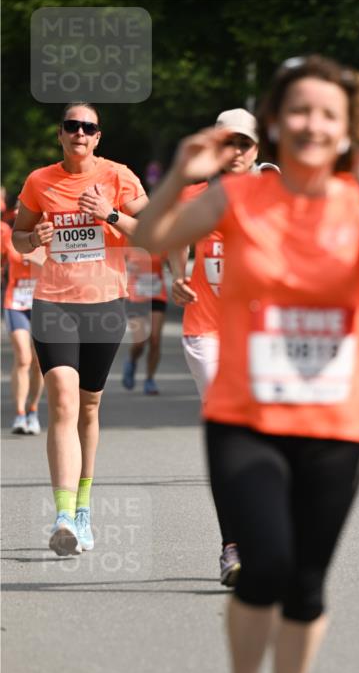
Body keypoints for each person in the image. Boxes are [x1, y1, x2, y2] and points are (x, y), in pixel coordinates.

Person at [135, 55, 359, 673]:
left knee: (305, 580)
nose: (311, 124)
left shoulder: (358, 204)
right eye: (299, 110)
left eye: (328, 114)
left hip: (335, 420)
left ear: (348, 131)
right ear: (275, 121)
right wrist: (181, 168)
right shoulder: (238, 199)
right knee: (264, 562)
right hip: (245, 411)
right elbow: (150, 237)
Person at [12, 102, 148, 555]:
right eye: (72, 126)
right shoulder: (39, 181)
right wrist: (34, 240)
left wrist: (110, 213)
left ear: (98, 137)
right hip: (54, 303)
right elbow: (19, 236)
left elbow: (151, 232)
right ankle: (64, 515)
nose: (79, 133)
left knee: (89, 407)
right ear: (61, 134)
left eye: (87, 127)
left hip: (105, 305)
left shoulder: (118, 177)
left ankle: (85, 508)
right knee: (63, 401)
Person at [170, 107, 259, 587]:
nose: (238, 152)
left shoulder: (274, 196)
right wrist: (177, 274)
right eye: (230, 143)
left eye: (246, 143)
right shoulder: (194, 194)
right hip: (206, 331)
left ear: (257, 149)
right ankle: (233, 546)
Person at [1, 214, 45, 433]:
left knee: (38, 362)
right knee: (23, 358)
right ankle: (19, 415)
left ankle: (33, 411)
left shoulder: (49, 236)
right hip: (15, 303)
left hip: (42, 304)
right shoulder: (8, 238)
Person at [122, 250, 168, 395]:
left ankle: (150, 379)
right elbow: (116, 265)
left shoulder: (162, 240)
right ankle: (132, 361)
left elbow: (175, 263)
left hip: (157, 295)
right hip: (135, 298)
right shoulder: (129, 240)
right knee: (139, 342)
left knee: (155, 339)